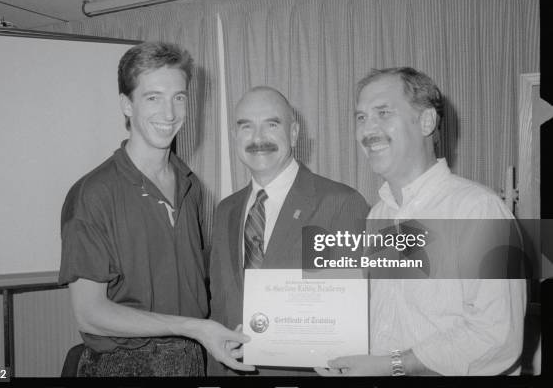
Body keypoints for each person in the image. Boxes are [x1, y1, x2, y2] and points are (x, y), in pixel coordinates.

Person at [58, 41, 253, 377]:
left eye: (178, 97)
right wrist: (194, 328)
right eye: (153, 98)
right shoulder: (93, 194)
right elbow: (89, 313)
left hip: (191, 360)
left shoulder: (189, 185)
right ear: (126, 105)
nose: (169, 114)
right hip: (123, 367)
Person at [317, 67, 526, 376]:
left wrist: (394, 366)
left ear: (427, 121)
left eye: (383, 113)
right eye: (361, 118)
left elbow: (496, 338)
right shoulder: (378, 216)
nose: (366, 130)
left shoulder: (479, 211)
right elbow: (382, 320)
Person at [208, 86, 370, 376]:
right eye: (246, 127)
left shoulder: (340, 204)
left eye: (272, 125)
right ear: (234, 137)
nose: (258, 138)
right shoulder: (225, 210)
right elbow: (220, 305)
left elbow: (350, 314)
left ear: (294, 133)